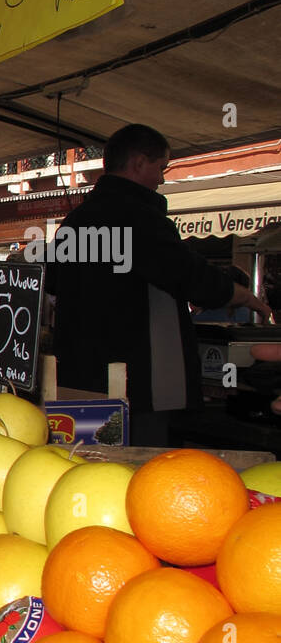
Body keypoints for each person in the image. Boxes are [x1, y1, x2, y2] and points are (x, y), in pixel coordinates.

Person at [46, 124, 272, 445]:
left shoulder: (73, 223)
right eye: (160, 168)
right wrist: (246, 297)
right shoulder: (139, 218)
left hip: (76, 378)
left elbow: (54, 282)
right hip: (136, 384)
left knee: (84, 461)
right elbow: (192, 277)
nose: (162, 179)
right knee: (138, 470)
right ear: (139, 162)